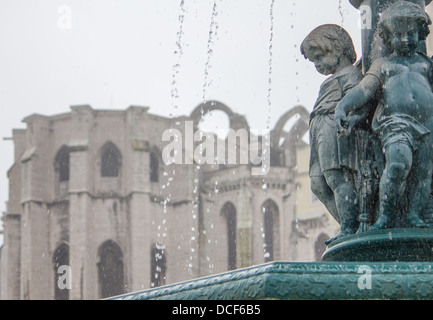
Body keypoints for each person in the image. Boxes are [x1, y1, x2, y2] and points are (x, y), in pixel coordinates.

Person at [335, 1, 433, 230]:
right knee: (398, 163)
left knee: (424, 172)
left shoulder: (426, 64)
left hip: (428, 123)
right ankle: (386, 214)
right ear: (387, 38)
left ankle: (413, 214)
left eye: (411, 34)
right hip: (396, 123)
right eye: (398, 35)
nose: (406, 40)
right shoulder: (383, 64)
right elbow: (364, 90)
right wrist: (343, 105)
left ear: (421, 33)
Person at [301, 24, 369, 244]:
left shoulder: (350, 75)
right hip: (320, 130)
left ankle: (350, 227)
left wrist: (352, 120)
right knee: (317, 184)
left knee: (336, 178)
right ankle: (348, 222)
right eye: (314, 62)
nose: (317, 65)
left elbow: (360, 99)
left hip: (333, 128)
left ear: (337, 50)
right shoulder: (334, 79)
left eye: (319, 58)